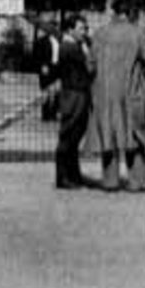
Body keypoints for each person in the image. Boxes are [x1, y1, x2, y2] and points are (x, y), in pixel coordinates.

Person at [86, 0, 145, 193]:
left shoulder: (100, 33)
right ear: (131, 13)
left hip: (104, 92)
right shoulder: (138, 33)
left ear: (114, 12)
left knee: (108, 134)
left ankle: (110, 181)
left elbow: (90, 65)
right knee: (134, 135)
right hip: (131, 90)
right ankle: (138, 181)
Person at [54, 14, 94, 190]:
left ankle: (73, 175)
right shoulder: (70, 48)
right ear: (70, 30)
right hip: (74, 95)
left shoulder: (72, 46)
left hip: (76, 94)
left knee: (74, 136)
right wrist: (86, 50)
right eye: (81, 28)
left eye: (85, 28)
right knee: (69, 136)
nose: (84, 32)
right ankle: (63, 177)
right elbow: (90, 67)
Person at [33, 14, 62, 121]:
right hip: (46, 68)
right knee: (46, 92)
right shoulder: (42, 41)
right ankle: (45, 114)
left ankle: (53, 113)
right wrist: (42, 66)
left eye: (56, 26)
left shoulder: (60, 41)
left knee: (57, 92)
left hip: (57, 68)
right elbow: (36, 56)